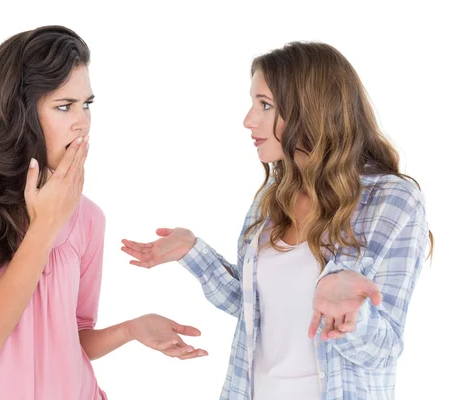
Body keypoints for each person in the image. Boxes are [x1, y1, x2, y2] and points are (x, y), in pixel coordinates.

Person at [0, 25, 206, 400]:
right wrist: (45, 225)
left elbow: (70, 337)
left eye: (87, 104)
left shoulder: (88, 217)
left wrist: (131, 329)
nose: (83, 121)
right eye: (64, 106)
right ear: (15, 112)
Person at [121, 41, 434, 400]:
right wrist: (194, 252)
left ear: (312, 110)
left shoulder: (391, 200)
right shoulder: (274, 194)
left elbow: (385, 348)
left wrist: (352, 316)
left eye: (265, 105)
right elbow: (251, 308)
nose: (248, 120)